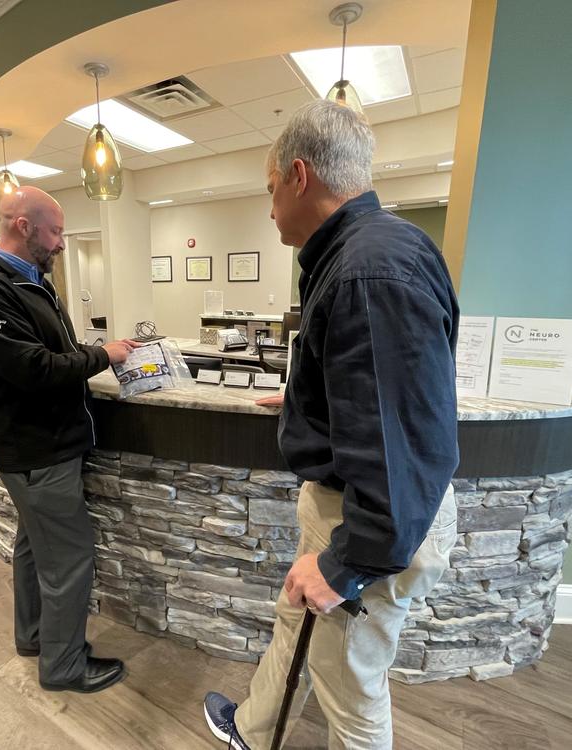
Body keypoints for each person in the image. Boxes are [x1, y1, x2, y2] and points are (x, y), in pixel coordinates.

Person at [203, 100, 460, 748]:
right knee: (299, 626)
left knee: (351, 690)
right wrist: (305, 403)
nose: (268, 209)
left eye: (268, 190)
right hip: (355, 506)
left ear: (298, 176)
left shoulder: (364, 273)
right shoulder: (380, 249)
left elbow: (397, 447)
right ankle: (255, 732)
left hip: (366, 515)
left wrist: (348, 562)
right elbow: (383, 391)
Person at [0, 186, 139, 693]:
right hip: (37, 451)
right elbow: (33, 368)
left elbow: (60, 348)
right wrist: (106, 356)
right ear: (24, 226)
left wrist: (93, 351)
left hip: (49, 446)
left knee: (35, 548)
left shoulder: (35, 284)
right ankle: (64, 666)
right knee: (69, 559)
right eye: (55, 231)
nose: (61, 243)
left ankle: (34, 637)